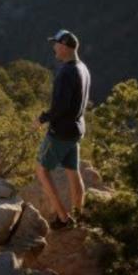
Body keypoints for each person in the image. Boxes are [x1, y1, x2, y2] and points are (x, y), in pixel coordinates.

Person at [34, 28, 91, 229]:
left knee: (41, 169)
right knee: (73, 171)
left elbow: (61, 106)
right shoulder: (83, 68)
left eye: (57, 44)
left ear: (66, 47)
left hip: (61, 131)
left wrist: (42, 118)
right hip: (76, 130)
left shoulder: (66, 72)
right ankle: (78, 213)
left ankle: (63, 218)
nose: (54, 47)